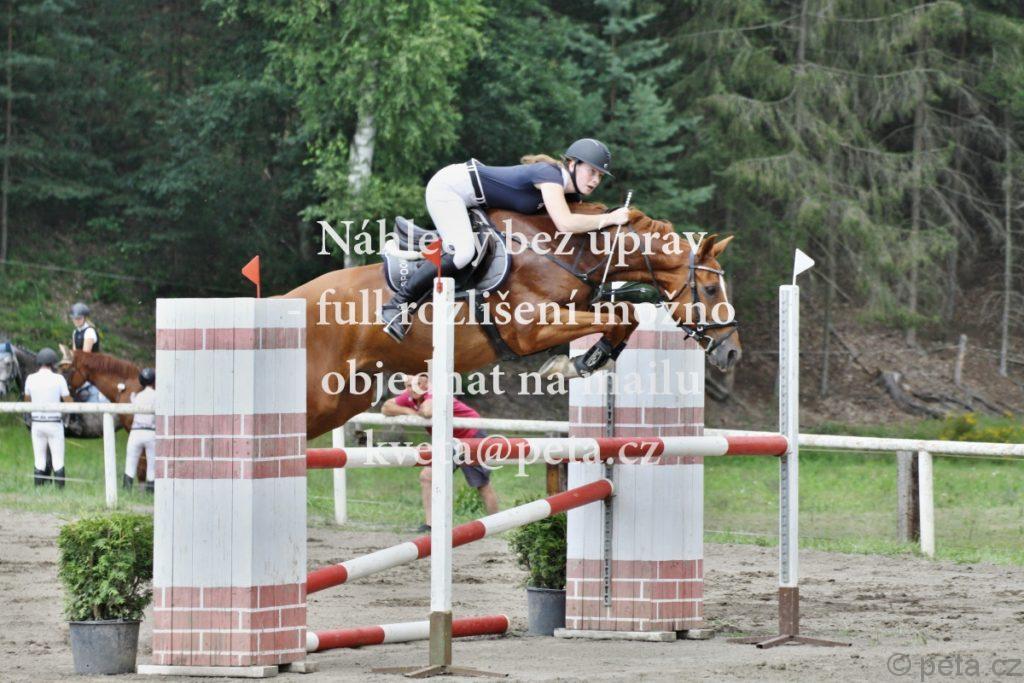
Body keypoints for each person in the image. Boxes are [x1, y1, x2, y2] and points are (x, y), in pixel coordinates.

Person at [380, 138, 630, 342]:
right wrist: (610, 218)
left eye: (600, 176)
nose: (595, 180)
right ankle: (397, 305)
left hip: (472, 198)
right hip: (450, 188)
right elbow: (565, 223)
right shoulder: (550, 175)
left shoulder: (568, 193)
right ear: (572, 164)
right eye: (592, 171)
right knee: (464, 253)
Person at [381, 372, 499, 532]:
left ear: (426, 384)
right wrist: (411, 412)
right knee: (427, 476)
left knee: (481, 484)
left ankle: (496, 523)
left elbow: (428, 411)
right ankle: (430, 524)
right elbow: (386, 407)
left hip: (471, 435)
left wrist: (416, 407)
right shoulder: (410, 396)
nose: (411, 389)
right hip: (447, 442)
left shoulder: (434, 392)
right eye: (408, 386)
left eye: (416, 385)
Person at [23, 348, 72, 487]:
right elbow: (68, 401)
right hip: (54, 423)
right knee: (58, 460)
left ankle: (38, 490)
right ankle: (60, 490)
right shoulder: (59, 378)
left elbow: (27, 401)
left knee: (39, 459)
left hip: (37, 424)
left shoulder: (30, 379)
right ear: (53, 363)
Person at [124, 367, 156, 493]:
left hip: (136, 432)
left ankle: (126, 490)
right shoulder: (157, 395)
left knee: (130, 463)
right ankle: (150, 492)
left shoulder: (136, 396)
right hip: (151, 432)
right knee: (152, 466)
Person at [69, 302, 107, 404]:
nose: (76, 321)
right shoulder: (75, 332)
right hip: (81, 366)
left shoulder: (89, 332)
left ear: (84, 318)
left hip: (92, 366)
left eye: (79, 318)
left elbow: (85, 355)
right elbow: (74, 352)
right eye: (74, 318)